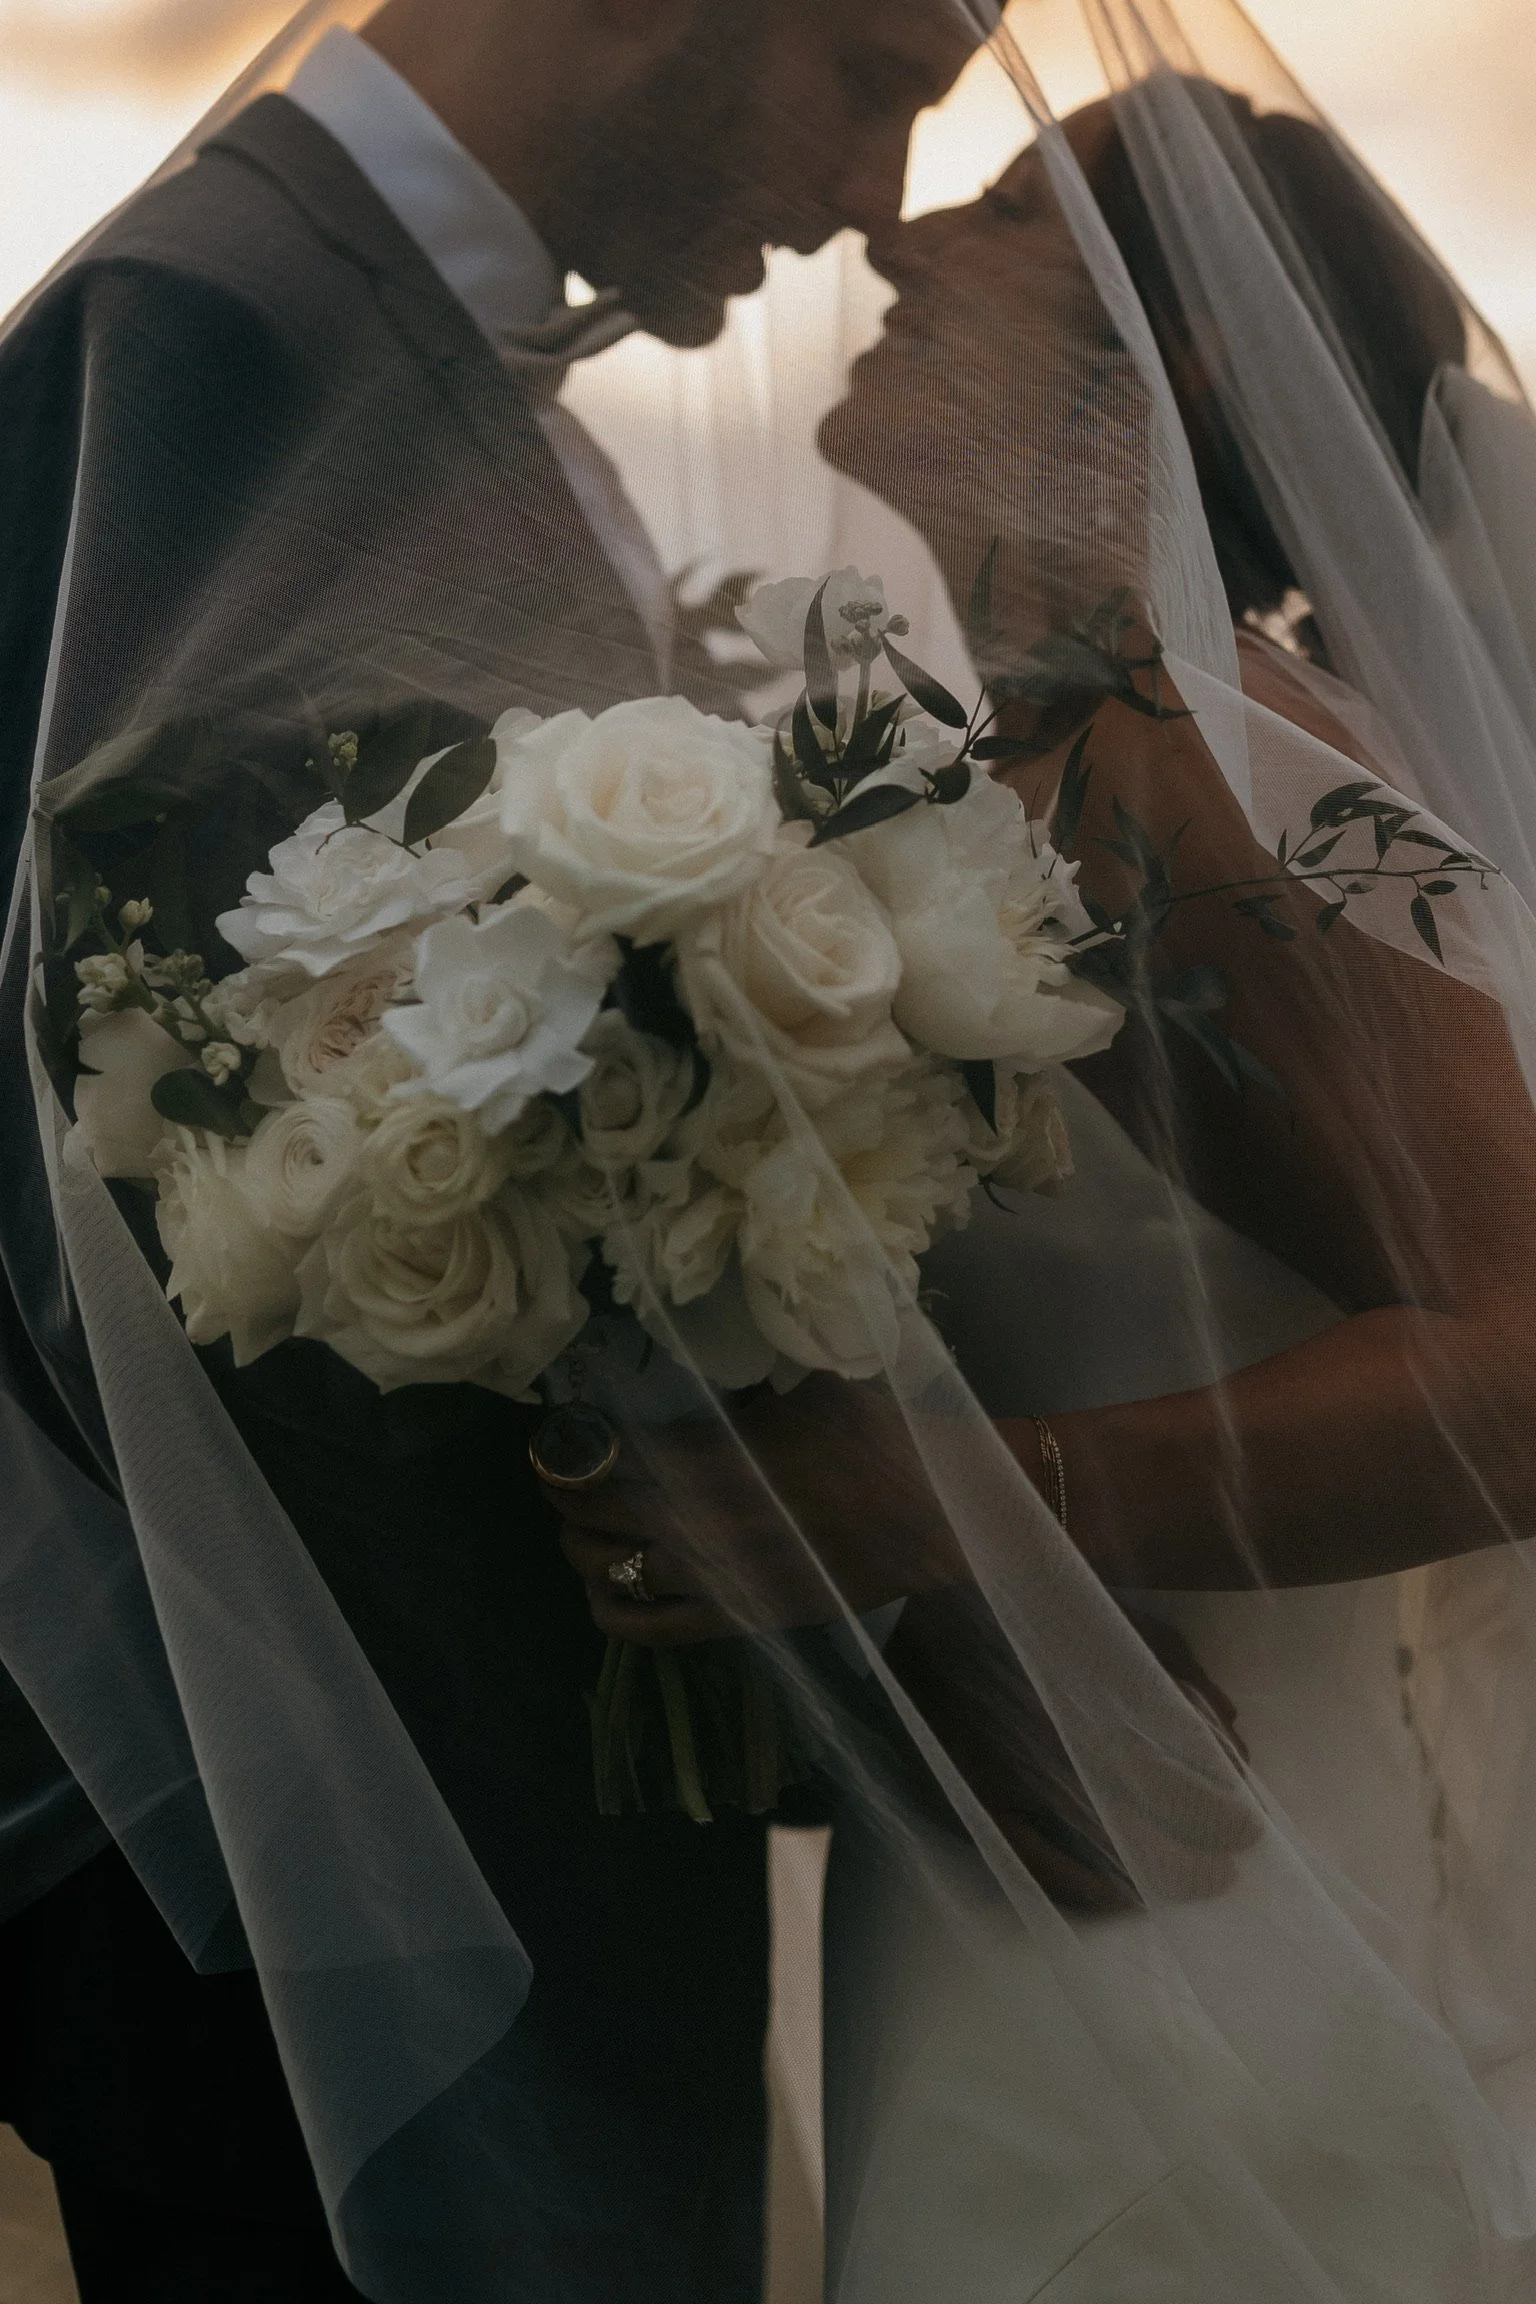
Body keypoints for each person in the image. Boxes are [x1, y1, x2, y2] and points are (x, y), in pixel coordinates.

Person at [0, 4, 975, 2298]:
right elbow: (91, 1183)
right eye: (874, 63)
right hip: (318, 1895)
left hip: (449, 1854)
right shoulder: (214, 336)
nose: (876, 198)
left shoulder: (390, 336)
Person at [551, 75, 1536, 2303]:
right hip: (1049, 1870)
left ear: (1175, 345)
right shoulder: (1007, 745)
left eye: (993, 211)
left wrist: (938, 1510)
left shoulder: (1202, 750)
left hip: (1207, 1907)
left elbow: (1525, 1361)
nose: (893, 251)